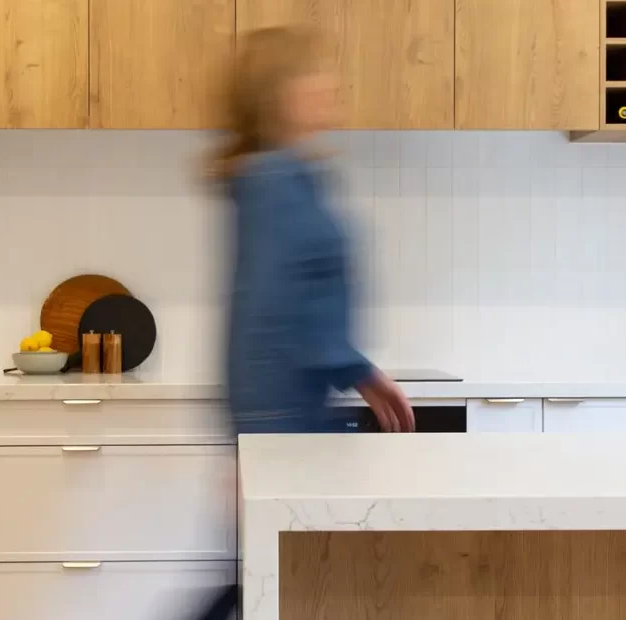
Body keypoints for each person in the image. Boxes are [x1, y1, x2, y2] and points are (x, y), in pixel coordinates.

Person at [183, 25, 415, 620]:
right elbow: (274, 306)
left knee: (281, 583)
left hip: (284, 416)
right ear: (282, 92)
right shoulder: (275, 183)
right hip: (280, 420)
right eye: (314, 74)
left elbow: (290, 300)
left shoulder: (282, 176)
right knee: (284, 585)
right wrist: (359, 370)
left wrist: (355, 370)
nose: (330, 84)